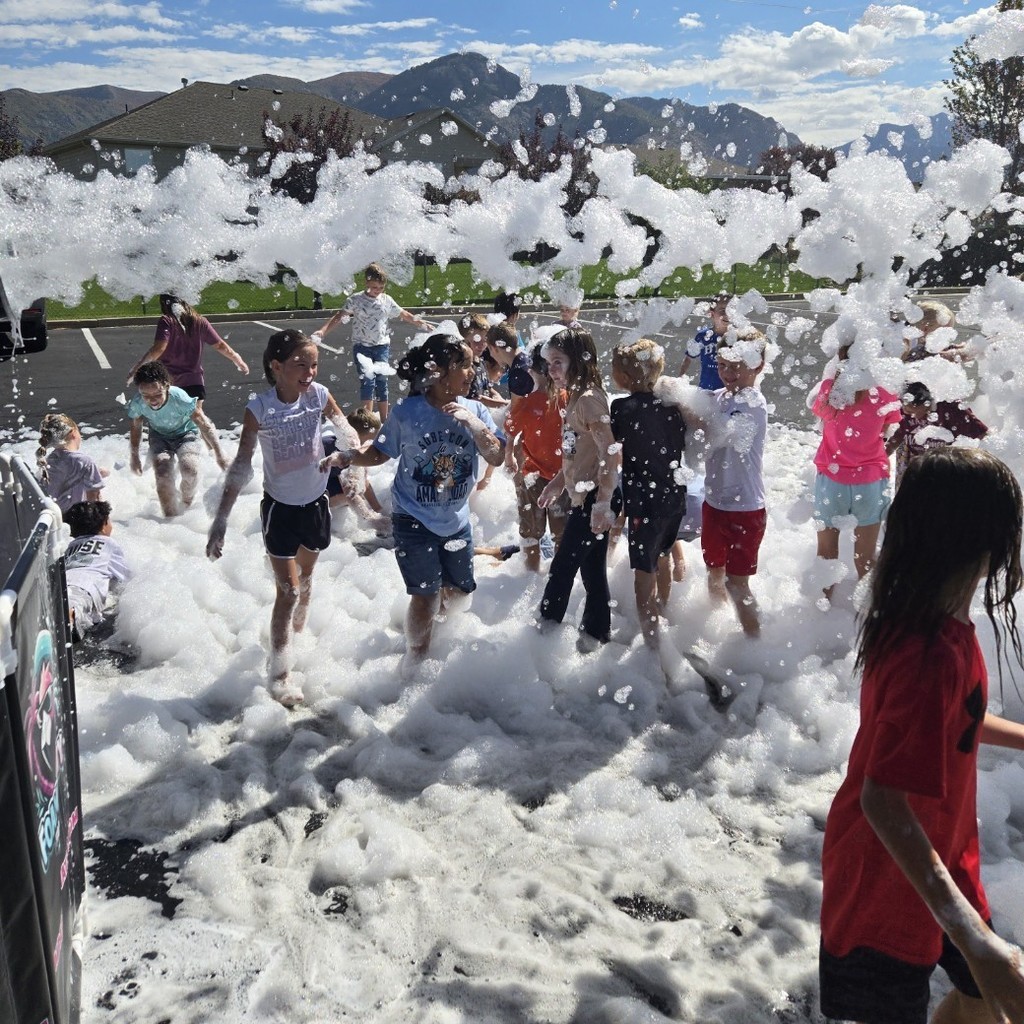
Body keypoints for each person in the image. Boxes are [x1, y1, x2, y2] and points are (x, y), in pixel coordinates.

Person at [819, 446, 1024, 1024]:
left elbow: (956, 720)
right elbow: (882, 801)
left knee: (989, 998)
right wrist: (975, 941)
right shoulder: (927, 654)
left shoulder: (936, 624)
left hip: (944, 865)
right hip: (884, 887)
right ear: (979, 542)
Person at [324, 334, 506, 675]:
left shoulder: (476, 409)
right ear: (437, 372)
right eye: (464, 365)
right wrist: (349, 457)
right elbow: (379, 452)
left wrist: (474, 422)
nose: (472, 371)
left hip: (455, 519)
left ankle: (437, 634)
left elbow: (496, 452)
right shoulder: (409, 412)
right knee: (425, 595)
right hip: (413, 519)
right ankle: (415, 662)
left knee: (458, 590)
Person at [206, 329, 359, 706]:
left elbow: (349, 435)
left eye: (314, 364)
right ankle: (280, 674)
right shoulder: (259, 408)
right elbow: (241, 467)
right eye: (299, 364)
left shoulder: (320, 396)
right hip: (280, 510)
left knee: (305, 582)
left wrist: (346, 460)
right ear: (276, 366)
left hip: (316, 503)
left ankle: (298, 635)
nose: (309, 371)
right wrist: (220, 521)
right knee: (287, 592)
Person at [537, 328, 622, 651]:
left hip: (596, 498)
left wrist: (602, 503)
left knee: (562, 568)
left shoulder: (588, 400)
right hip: (586, 495)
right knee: (591, 571)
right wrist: (558, 484)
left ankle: (542, 640)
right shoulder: (573, 396)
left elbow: (610, 453)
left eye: (558, 362)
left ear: (580, 362)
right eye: (549, 362)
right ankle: (598, 633)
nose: (551, 370)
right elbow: (578, 451)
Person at [610, 339, 687, 649]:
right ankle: (665, 609)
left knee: (644, 572)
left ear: (624, 379)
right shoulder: (672, 406)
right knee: (664, 554)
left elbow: (610, 448)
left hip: (646, 504)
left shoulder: (622, 408)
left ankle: (653, 644)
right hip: (674, 499)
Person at [811, 344, 902, 598]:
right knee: (866, 556)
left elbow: (820, 411)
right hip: (870, 482)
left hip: (832, 479)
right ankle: (871, 615)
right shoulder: (884, 394)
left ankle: (821, 615)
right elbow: (889, 426)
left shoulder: (831, 392)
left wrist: (831, 375)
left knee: (826, 555)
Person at [699, 330, 769, 638]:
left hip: (746, 509)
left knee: (737, 583)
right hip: (715, 504)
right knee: (714, 573)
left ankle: (755, 646)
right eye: (722, 365)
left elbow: (718, 433)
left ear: (757, 365)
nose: (727, 373)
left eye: (735, 366)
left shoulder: (753, 403)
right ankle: (717, 630)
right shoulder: (719, 397)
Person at [315, 262, 431, 422]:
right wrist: (323, 331)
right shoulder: (355, 300)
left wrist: (423, 324)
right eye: (375, 287)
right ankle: (367, 420)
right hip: (362, 347)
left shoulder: (386, 300)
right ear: (366, 283)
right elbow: (339, 317)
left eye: (381, 288)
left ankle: (384, 419)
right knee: (368, 381)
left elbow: (404, 314)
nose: (378, 291)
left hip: (381, 346)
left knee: (382, 382)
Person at [126, 361, 227, 517]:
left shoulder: (179, 398)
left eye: (157, 394)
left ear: (166, 385)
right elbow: (135, 427)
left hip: (186, 434)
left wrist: (219, 454)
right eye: (146, 395)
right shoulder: (138, 402)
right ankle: (170, 520)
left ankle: (186, 502)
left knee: (190, 468)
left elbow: (203, 423)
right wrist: (134, 456)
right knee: (162, 474)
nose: (152, 400)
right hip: (159, 436)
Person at [505, 343, 570, 572]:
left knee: (531, 534)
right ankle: (559, 582)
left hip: (531, 477)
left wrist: (509, 456)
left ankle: (530, 577)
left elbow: (510, 429)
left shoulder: (528, 402)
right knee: (562, 535)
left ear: (532, 370)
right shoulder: (567, 398)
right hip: (561, 479)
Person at [125, 294, 249, 403]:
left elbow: (159, 348)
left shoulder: (167, 321)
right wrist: (238, 360)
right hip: (195, 380)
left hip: (169, 382)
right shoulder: (201, 322)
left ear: (164, 304)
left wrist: (136, 369)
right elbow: (220, 345)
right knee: (198, 419)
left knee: (171, 422)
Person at [886, 382, 989, 489]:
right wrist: (882, 456)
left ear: (926, 403)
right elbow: (898, 434)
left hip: (946, 466)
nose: (908, 414)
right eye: (905, 409)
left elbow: (982, 434)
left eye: (912, 410)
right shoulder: (904, 407)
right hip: (917, 461)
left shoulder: (951, 409)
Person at [63, 500, 131, 638]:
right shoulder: (109, 543)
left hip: (65, 581)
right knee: (77, 606)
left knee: (69, 602)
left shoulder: (70, 546)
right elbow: (125, 577)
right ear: (104, 525)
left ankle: (68, 617)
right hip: (87, 584)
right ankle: (69, 618)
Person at [323, 408, 390, 533]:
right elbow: (351, 494)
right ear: (354, 436)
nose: (368, 447)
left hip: (325, 482)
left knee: (360, 481)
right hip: (311, 495)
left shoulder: (344, 442)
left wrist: (378, 510)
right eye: (367, 441)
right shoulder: (344, 449)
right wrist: (370, 519)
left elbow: (365, 482)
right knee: (356, 493)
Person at [35, 412, 106, 513]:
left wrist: (97, 472)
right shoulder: (84, 462)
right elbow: (95, 505)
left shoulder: (51, 459)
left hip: (51, 514)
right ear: (73, 433)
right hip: (72, 520)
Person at [680, 292, 731, 390]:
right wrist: (680, 378)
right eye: (722, 311)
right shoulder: (703, 336)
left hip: (728, 391)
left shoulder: (736, 337)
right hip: (706, 390)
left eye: (730, 310)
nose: (727, 315)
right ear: (711, 314)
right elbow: (688, 358)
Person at [903, 300, 972, 364]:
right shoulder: (907, 341)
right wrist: (949, 355)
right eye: (945, 332)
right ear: (925, 328)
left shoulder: (923, 341)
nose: (949, 337)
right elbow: (914, 358)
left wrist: (955, 348)